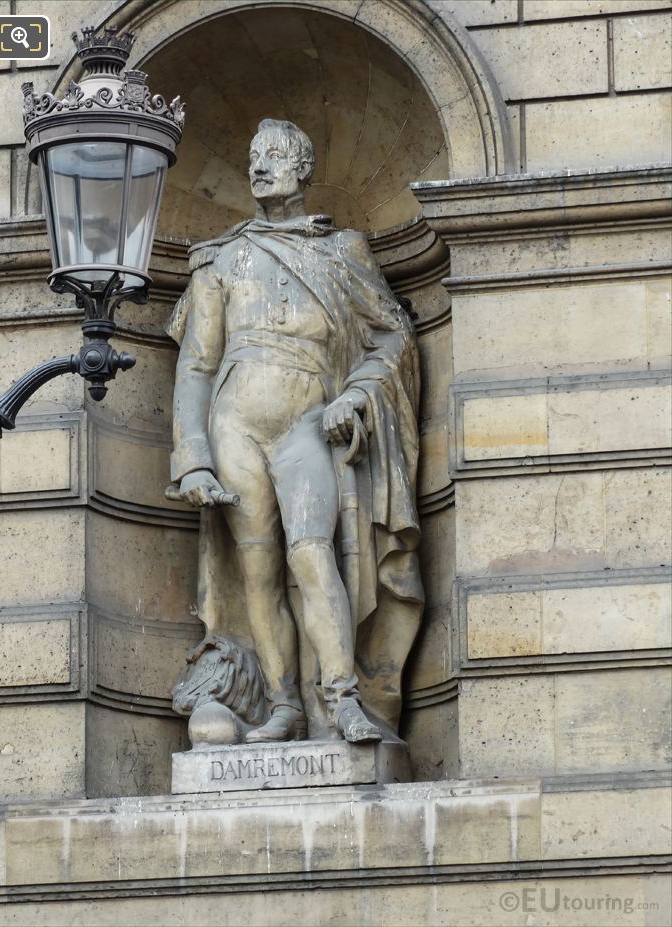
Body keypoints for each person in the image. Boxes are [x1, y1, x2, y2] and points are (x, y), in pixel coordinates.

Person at [167, 119, 423, 745]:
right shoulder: (221, 259)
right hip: (234, 425)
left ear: (305, 167)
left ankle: (341, 698)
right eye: (253, 156)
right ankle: (286, 706)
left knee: (312, 555)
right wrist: (193, 459)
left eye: (275, 156)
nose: (260, 167)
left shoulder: (343, 252)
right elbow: (196, 365)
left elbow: (393, 334)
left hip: (307, 420)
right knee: (258, 571)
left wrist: (359, 394)